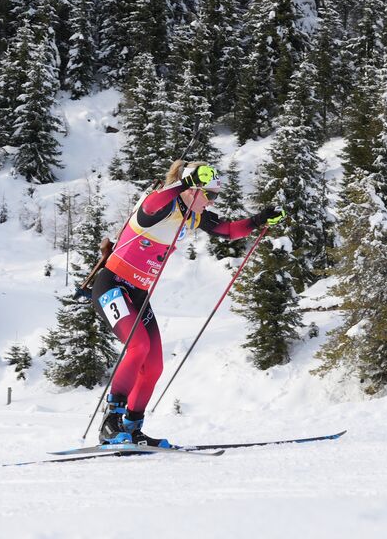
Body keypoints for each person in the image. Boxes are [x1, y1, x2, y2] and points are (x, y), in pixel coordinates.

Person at [91, 160, 284, 447]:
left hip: (139, 295)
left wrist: (258, 220)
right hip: (113, 285)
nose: (211, 201)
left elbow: (228, 230)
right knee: (138, 346)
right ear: (193, 189)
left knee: (154, 365)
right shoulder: (161, 204)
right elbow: (151, 206)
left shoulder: (191, 215)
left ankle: (132, 426)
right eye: (210, 194)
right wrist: (184, 183)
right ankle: (110, 423)